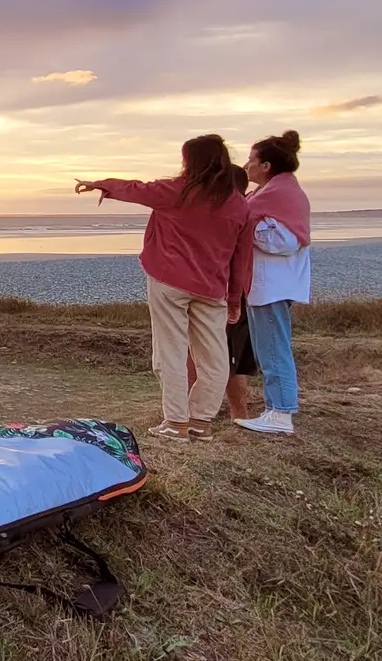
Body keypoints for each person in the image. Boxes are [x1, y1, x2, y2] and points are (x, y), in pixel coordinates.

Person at [77, 135, 254, 441]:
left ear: (190, 161)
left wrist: (100, 184)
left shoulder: (178, 191)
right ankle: (201, 421)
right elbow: (242, 258)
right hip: (212, 287)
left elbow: (137, 189)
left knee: (171, 351)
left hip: (169, 280)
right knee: (214, 357)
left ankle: (176, 423)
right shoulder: (238, 204)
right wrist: (235, 298)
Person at [236, 131, 311, 436]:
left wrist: (250, 229)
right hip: (273, 284)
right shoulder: (278, 191)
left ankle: (280, 413)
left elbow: (285, 241)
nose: (246, 165)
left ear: (266, 165)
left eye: (251, 160)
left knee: (272, 349)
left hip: (272, 286)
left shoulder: (276, 194)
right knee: (270, 347)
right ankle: (276, 409)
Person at [188, 166, 260, 420]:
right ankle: (237, 413)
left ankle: (190, 413)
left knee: (200, 352)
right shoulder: (244, 213)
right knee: (232, 356)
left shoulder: (219, 214)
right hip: (232, 293)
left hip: (215, 293)